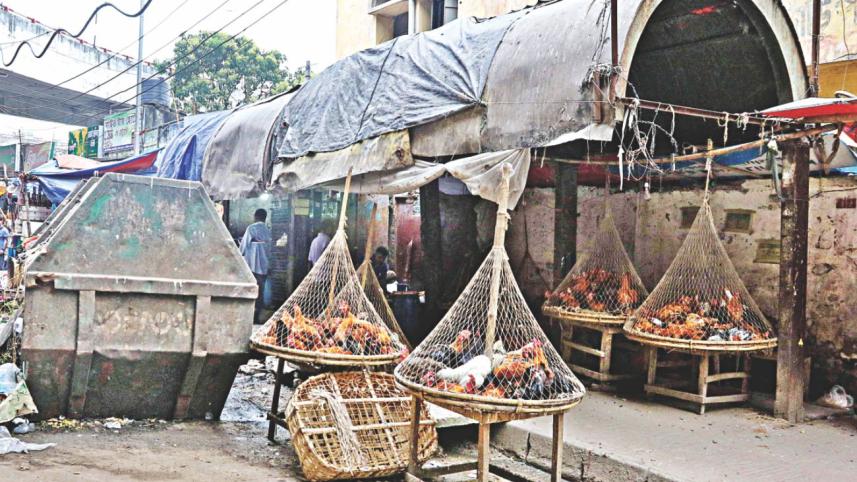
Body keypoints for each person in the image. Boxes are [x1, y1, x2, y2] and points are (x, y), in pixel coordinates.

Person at [240, 209, 272, 324]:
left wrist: (240, 255)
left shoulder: (251, 228)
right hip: (263, 267)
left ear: (256, 216)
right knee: (260, 292)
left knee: (250, 290)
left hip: (251, 266)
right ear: (265, 217)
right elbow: (270, 249)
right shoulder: (268, 230)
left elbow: (243, 246)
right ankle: (257, 316)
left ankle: (248, 316)